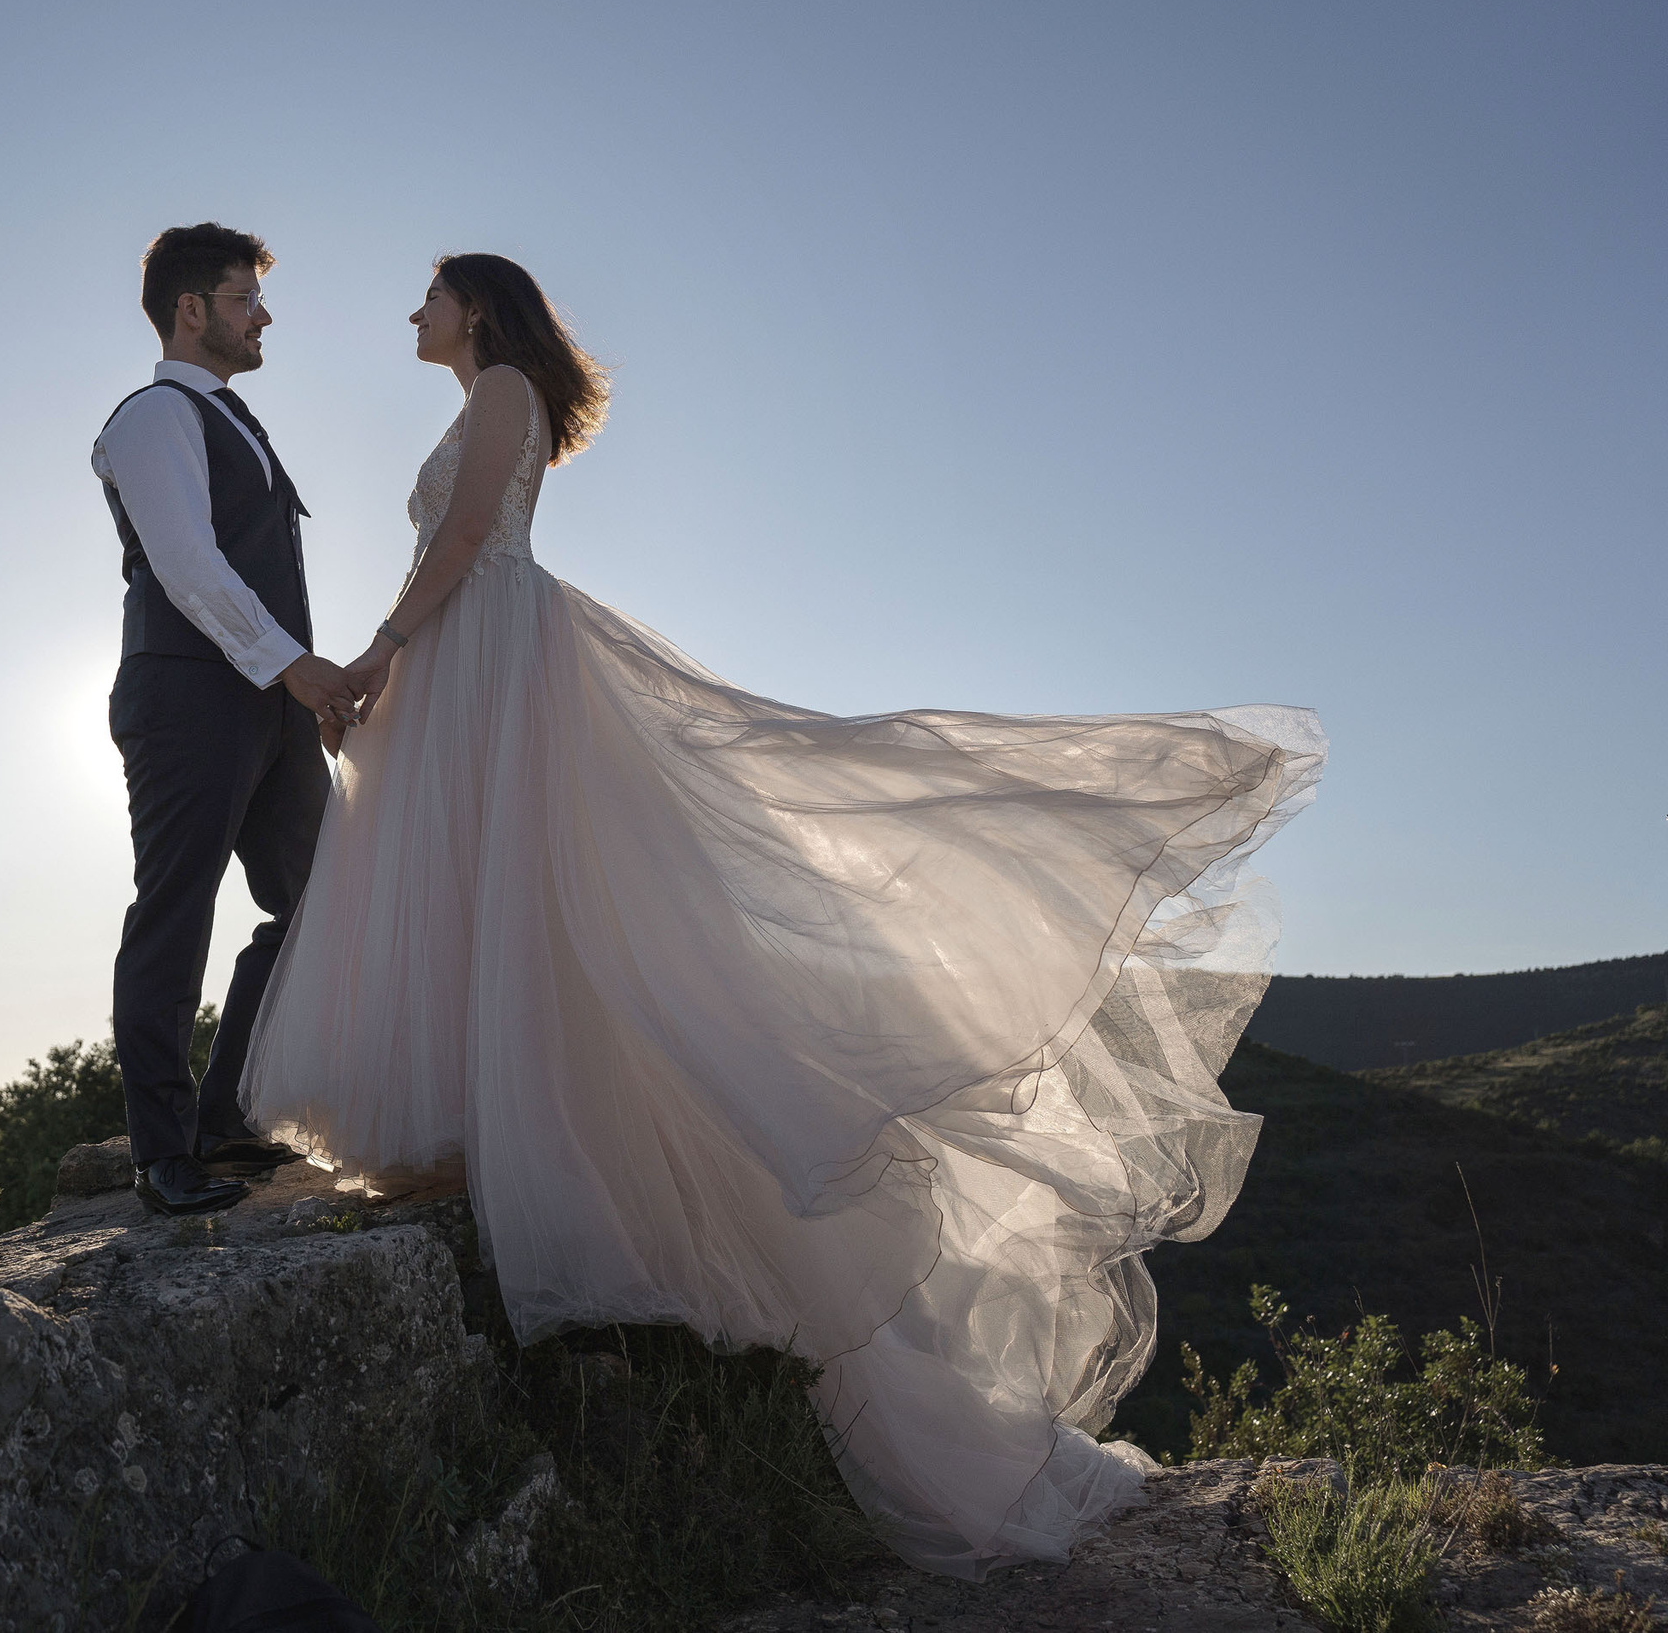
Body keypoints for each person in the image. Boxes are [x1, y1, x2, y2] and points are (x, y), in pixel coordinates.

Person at [241, 253, 1326, 1578]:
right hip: (475, 659)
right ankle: (466, 1125)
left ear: (478, 307)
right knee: (492, 891)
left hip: (488, 654)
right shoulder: (490, 394)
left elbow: (466, 541)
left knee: (534, 891)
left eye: (431, 294)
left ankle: (513, 1147)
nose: (412, 312)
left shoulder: (505, 384)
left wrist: (374, 652)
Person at [91, 223, 355, 1216]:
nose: (264, 317)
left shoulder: (238, 420)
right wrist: (298, 670)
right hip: (185, 694)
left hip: (272, 701)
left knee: (320, 904)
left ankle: (226, 1115)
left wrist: (301, 688)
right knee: (175, 905)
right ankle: (160, 1151)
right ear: (191, 310)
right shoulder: (152, 415)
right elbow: (187, 565)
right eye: (246, 299)